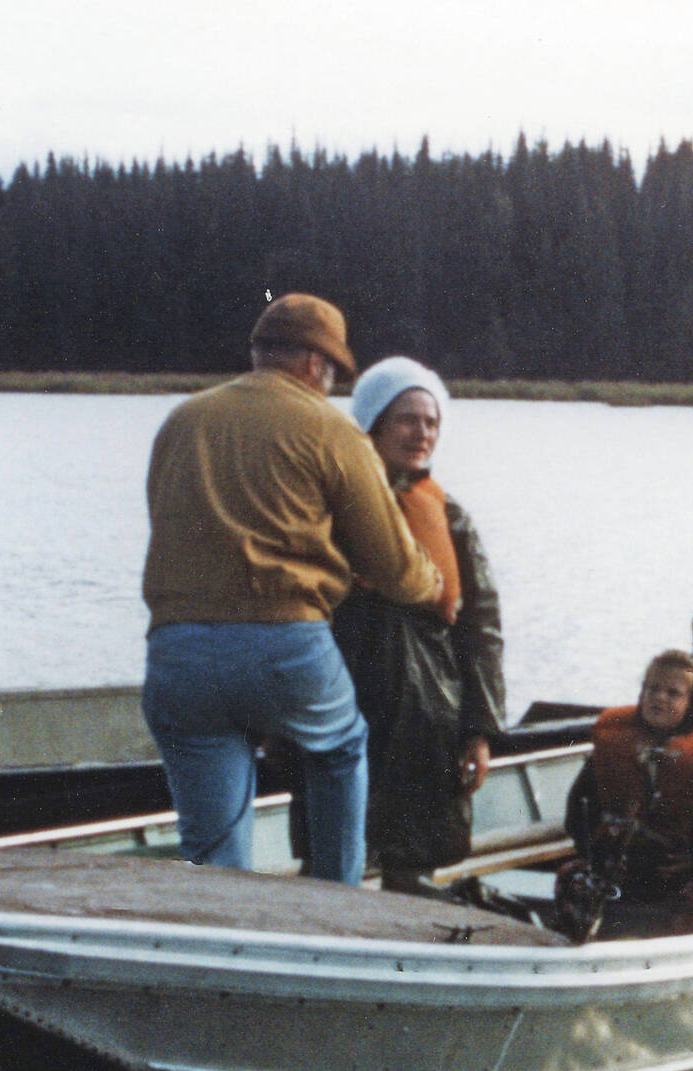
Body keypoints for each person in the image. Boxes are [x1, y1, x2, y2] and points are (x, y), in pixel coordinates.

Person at [140, 294, 441, 884]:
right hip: (284, 646)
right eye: (331, 374)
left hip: (177, 652)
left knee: (213, 849)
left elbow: (167, 521)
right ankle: (335, 900)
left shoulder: (183, 420)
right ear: (314, 364)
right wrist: (431, 584)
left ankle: (223, 937)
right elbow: (397, 569)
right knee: (342, 747)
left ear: (258, 354)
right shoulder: (331, 429)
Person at [327, 355, 506, 893]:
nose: (421, 433)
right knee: (332, 860)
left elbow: (483, 630)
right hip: (344, 704)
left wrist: (480, 729)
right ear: (373, 424)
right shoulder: (328, 506)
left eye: (431, 422)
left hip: (431, 715)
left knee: (415, 863)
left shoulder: (450, 517)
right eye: (407, 419)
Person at [560, 651, 693, 928]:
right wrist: (593, 853)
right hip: (621, 866)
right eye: (652, 688)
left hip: (682, 870)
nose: (659, 698)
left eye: (673, 693)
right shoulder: (615, 742)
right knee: (572, 881)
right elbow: (579, 807)